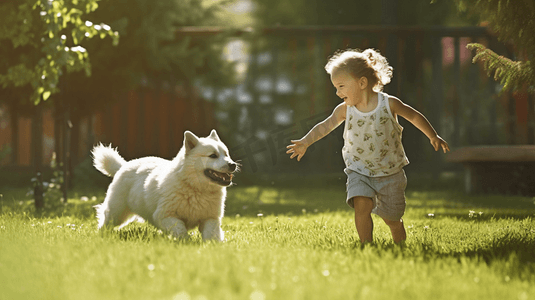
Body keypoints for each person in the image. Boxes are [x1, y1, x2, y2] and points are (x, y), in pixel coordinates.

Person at [286, 48, 450, 244]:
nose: (338, 93)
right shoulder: (345, 110)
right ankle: (367, 245)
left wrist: (433, 135)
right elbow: (325, 126)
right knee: (361, 205)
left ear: (362, 83)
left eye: (341, 86)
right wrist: (306, 141)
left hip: (390, 172)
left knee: (391, 218)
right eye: (336, 88)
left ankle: (399, 240)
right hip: (358, 169)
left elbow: (414, 116)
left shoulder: (389, 104)